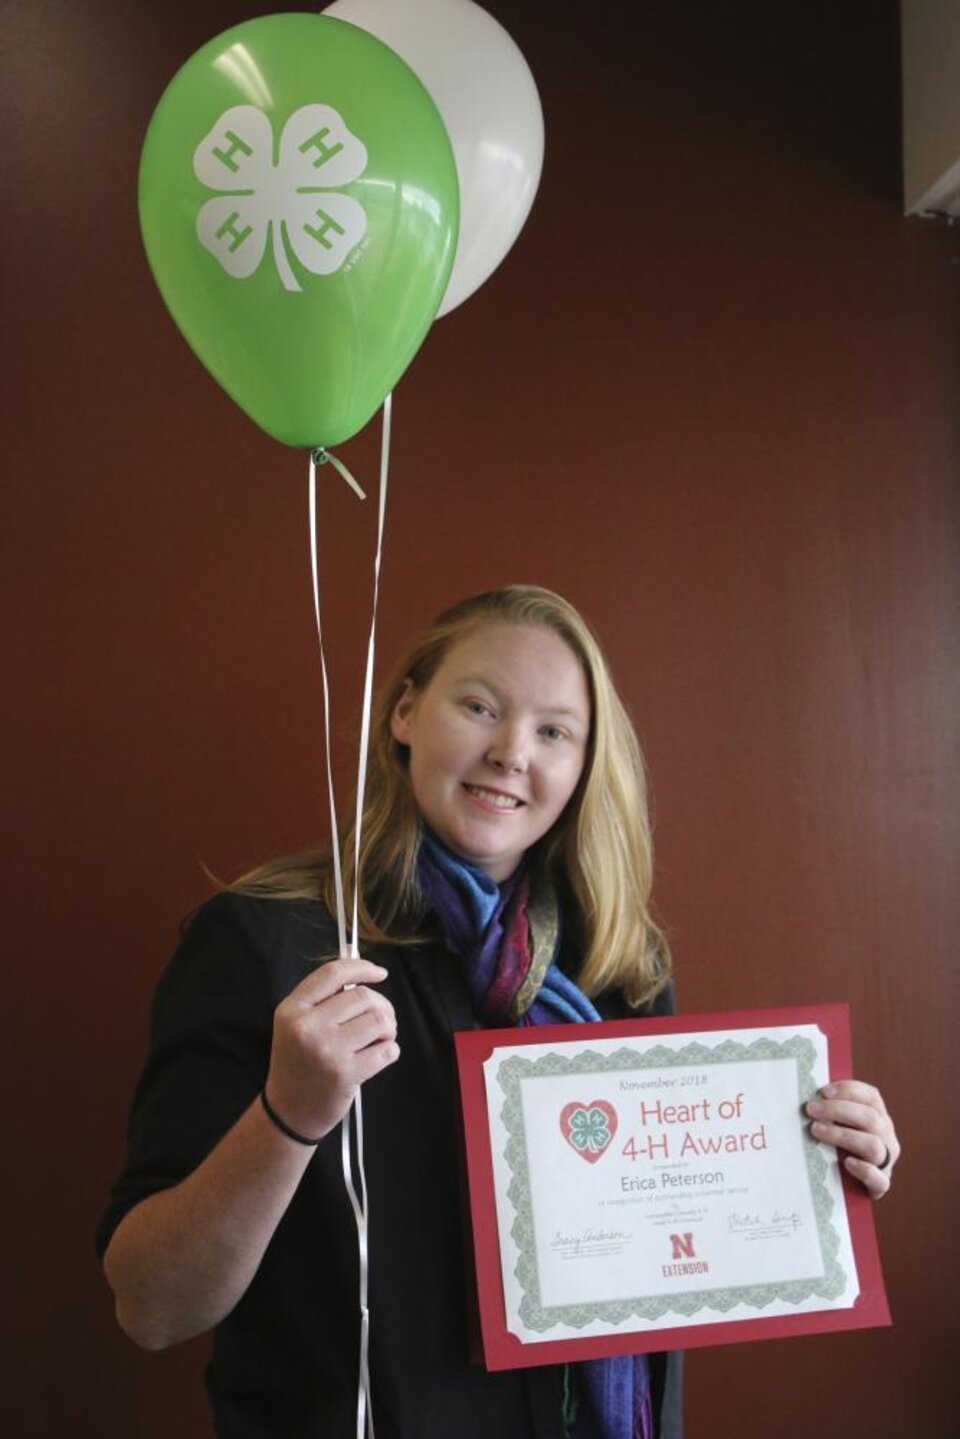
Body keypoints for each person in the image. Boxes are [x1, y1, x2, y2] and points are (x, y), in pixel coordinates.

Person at [98, 585, 900, 1439]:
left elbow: (679, 1229)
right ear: (406, 711)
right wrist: (287, 1117)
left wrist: (816, 1156)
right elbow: (151, 1303)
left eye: (554, 730)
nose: (512, 751)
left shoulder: (613, 971)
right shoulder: (271, 946)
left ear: (585, 765)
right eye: (480, 705)